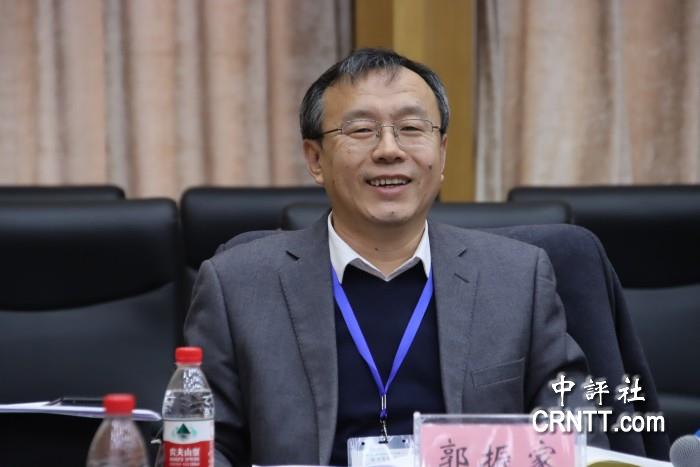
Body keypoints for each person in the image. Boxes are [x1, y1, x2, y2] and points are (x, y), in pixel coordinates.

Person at [185, 48, 595, 466]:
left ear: (442, 153)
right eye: (361, 130)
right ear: (315, 159)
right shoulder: (237, 285)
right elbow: (203, 443)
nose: (389, 150)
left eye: (411, 128)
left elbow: (573, 427)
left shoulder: (516, 278)